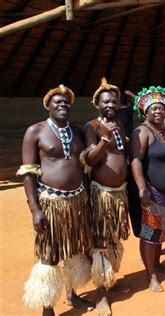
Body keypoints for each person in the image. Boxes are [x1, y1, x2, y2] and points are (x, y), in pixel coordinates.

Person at [18, 85, 92, 316]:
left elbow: (85, 166)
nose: (62, 105)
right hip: (50, 202)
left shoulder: (77, 131)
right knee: (49, 253)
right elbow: (28, 172)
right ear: (48, 105)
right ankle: (47, 306)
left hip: (77, 201)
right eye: (57, 102)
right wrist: (35, 210)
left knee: (74, 249)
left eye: (66, 102)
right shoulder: (35, 131)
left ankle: (72, 294)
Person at [81, 78, 130, 315]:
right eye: (105, 101)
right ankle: (101, 294)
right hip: (101, 194)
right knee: (99, 242)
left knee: (113, 238)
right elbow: (90, 160)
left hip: (118, 195)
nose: (110, 104)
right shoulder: (92, 126)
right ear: (96, 103)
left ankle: (110, 279)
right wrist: (104, 139)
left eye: (114, 101)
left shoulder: (119, 124)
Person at [130, 86, 165, 292]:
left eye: (161, 107)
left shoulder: (163, 132)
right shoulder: (142, 131)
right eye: (153, 109)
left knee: (161, 232)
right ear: (145, 111)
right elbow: (135, 160)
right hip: (153, 194)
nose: (158, 111)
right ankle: (150, 275)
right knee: (150, 235)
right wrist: (142, 188)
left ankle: (158, 264)